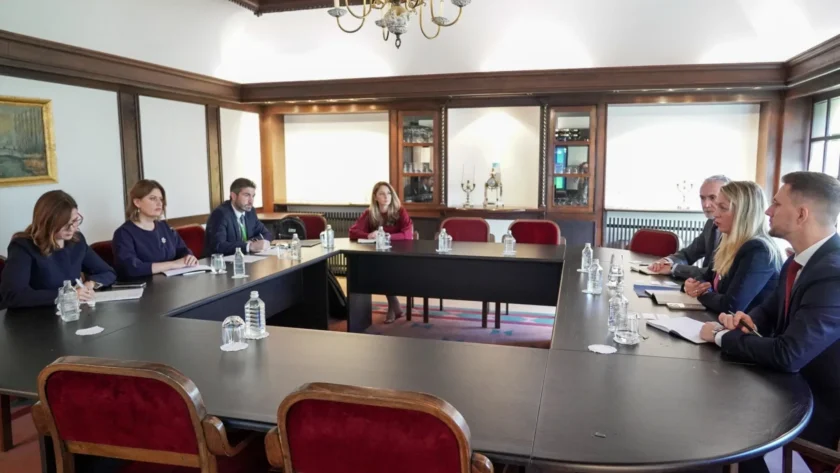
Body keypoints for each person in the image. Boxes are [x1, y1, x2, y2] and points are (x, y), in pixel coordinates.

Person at [700, 172, 840, 471]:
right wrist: (744, 320)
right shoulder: (797, 261)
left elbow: (789, 355)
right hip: (777, 388)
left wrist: (721, 336)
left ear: (801, 214)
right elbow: (769, 310)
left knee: (708, 428)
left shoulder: (834, 274)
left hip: (810, 412)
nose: (767, 210)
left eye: (776, 203)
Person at [0, 190, 116, 309]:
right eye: (64, 224)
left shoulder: (77, 241)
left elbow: (108, 272)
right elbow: (13, 295)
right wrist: (67, 296)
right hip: (33, 315)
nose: (72, 228)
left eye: (75, 221)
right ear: (47, 223)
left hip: (69, 312)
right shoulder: (23, 246)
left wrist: (90, 284)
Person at [683, 181, 781, 314]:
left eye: (723, 208)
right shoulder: (727, 241)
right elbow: (706, 277)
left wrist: (701, 293)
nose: (715, 214)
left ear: (745, 213)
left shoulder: (759, 250)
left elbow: (731, 306)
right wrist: (691, 285)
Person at [349, 181, 414, 323]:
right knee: (375, 268)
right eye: (382, 194)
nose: (386, 197)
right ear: (375, 197)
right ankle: (394, 305)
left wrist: (388, 236)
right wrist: (368, 235)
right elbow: (353, 232)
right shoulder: (370, 213)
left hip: (399, 255)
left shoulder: (400, 212)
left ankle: (393, 307)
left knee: (384, 269)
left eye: (389, 193)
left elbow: (408, 235)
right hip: (380, 256)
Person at [649, 175, 731, 279]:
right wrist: (667, 261)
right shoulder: (710, 224)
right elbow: (688, 254)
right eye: (702, 198)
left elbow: (716, 274)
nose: (706, 204)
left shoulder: (737, 231)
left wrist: (674, 268)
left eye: (712, 197)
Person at [112, 180, 198, 278]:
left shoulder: (164, 226)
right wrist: (172, 264)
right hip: (145, 285)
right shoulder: (124, 233)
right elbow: (131, 268)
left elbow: (182, 249)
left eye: (161, 199)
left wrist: (188, 257)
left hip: (171, 282)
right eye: (152, 198)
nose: (159, 203)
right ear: (137, 202)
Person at [205, 178, 272, 257]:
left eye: (253, 196)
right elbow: (218, 246)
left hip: (246, 259)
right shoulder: (220, 214)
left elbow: (266, 234)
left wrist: (252, 242)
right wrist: (248, 246)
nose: (251, 201)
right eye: (246, 195)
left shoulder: (250, 212)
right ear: (233, 196)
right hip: (224, 262)